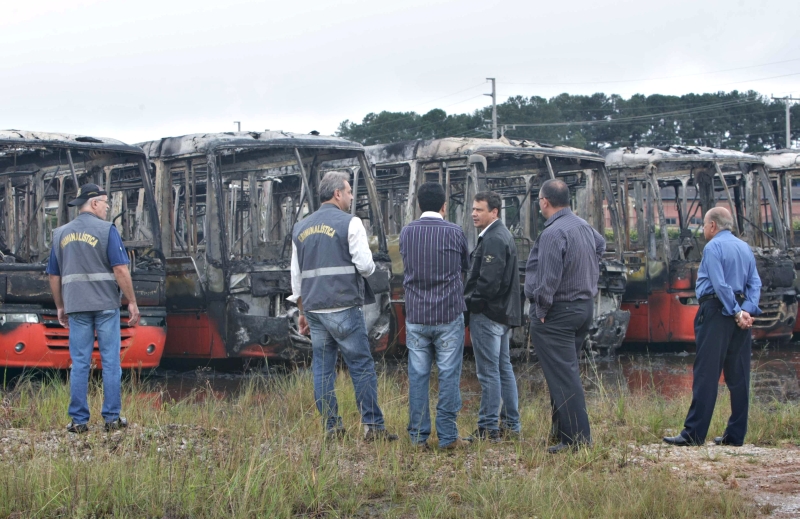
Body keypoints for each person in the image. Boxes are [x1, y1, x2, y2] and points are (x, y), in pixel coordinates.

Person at [289, 171, 397, 442]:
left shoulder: (300, 228)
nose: (351, 197)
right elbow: (365, 265)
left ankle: (332, 429)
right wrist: (370, 265)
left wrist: (302, 312)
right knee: (360, 366)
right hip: (344, 306)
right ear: (337, 193)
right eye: (349, 192)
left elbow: (296, 277)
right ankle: (373, 428)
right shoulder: (351, 223)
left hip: (314, 309)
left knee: (322, 369)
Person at [663, 207, 761, 447]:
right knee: (739, 376)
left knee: (706, 373)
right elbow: (754, 283)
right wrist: (746, 310)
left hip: (717, 312)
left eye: (705, 225)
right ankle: (735, 435)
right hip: (740, 314)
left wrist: (736, 312)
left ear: (713, 226)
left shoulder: (713, 247)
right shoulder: (745, 248)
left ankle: (694, 434)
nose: (704, 229)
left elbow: (719, 283)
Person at [46, 183, 139, 433]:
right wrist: (131, 301)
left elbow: (53, 276)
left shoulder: (60, 234)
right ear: (94, 203)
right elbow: (120, 269)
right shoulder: (107, 230)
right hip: (106, 306)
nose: (108, 208)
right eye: (106, 203)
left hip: (76, 306)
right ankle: (111, 419)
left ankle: (78, 421)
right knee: (110, 361)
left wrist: (60, 305)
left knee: (79, 362)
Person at [525, 179, 604, 453]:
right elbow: (601, 245)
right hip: (584, 307)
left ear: (544, 202)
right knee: (563, 372)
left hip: (557, 312)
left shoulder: (552, 233)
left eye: (538, 199)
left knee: (563, 376)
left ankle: (577, 440)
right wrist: (586, 271)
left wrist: (542, 310)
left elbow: (547, 280)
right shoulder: (582, 226)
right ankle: (560, 433)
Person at [400, 183, 470, 450]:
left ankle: (418, 437)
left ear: (419, 204)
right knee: (449, 374)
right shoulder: (455, 232)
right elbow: (466, 266)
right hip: (448, 315)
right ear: (444, 205)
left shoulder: (407, 232)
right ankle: (448, 437)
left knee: (418, 376)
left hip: (417, 315)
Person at [464, 191, 522, 442]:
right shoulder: (499, 234)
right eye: (473, 209)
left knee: (488, 372)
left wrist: (472, 304)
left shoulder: (494, 238)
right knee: (503, 369)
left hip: (488, 314)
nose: (474, 214)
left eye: (480, 209)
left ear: (494, 212)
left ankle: (489, 428)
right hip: (501, 314)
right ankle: (511, 425)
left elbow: (489, 281)